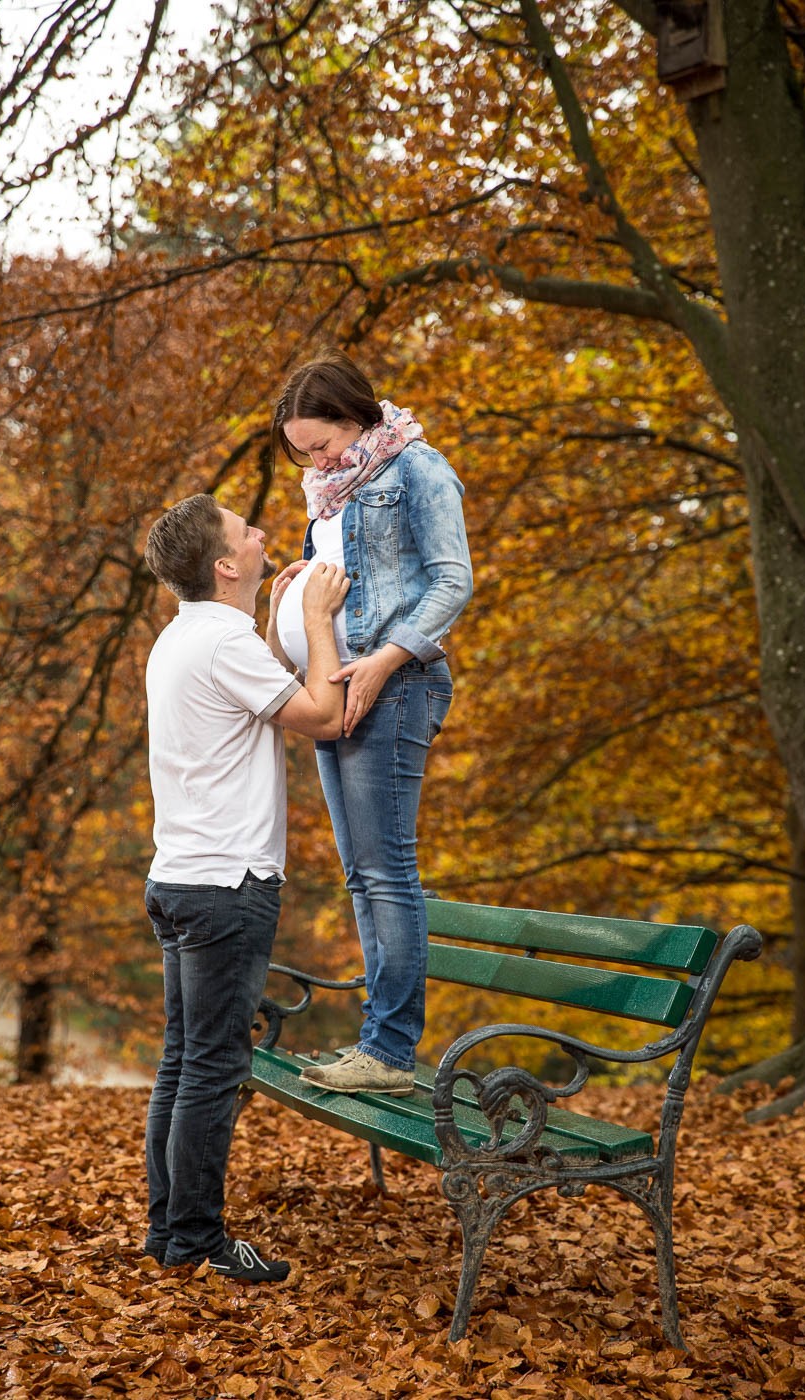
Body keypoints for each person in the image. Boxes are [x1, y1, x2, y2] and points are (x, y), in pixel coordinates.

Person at [141, 491, 349, 1280]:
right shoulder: (221, 646)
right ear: (227, 565)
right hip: (228, 886)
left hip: (181, 880)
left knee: (182, 1061)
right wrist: (320, 619)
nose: (260, 532)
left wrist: (279, 620)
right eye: (245, 530)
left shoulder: (192, 637)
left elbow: (257, 684)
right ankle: (196, 1241)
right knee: (213, 1068)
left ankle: (170, 1235)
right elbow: (323, 716)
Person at [271, 350, 473, 1096]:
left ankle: (388, 1051)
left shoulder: (417, 470)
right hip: (336, 691)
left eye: (319, 444)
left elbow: (453, 579)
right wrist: (296, 582)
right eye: (302, 452)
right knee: (362, 877)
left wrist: (387, 658)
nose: (314, 460)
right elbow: (345, 579)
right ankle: (376, 1043)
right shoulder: (331, 487)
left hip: (393, 689)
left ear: (354, 417)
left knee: (387, 873)